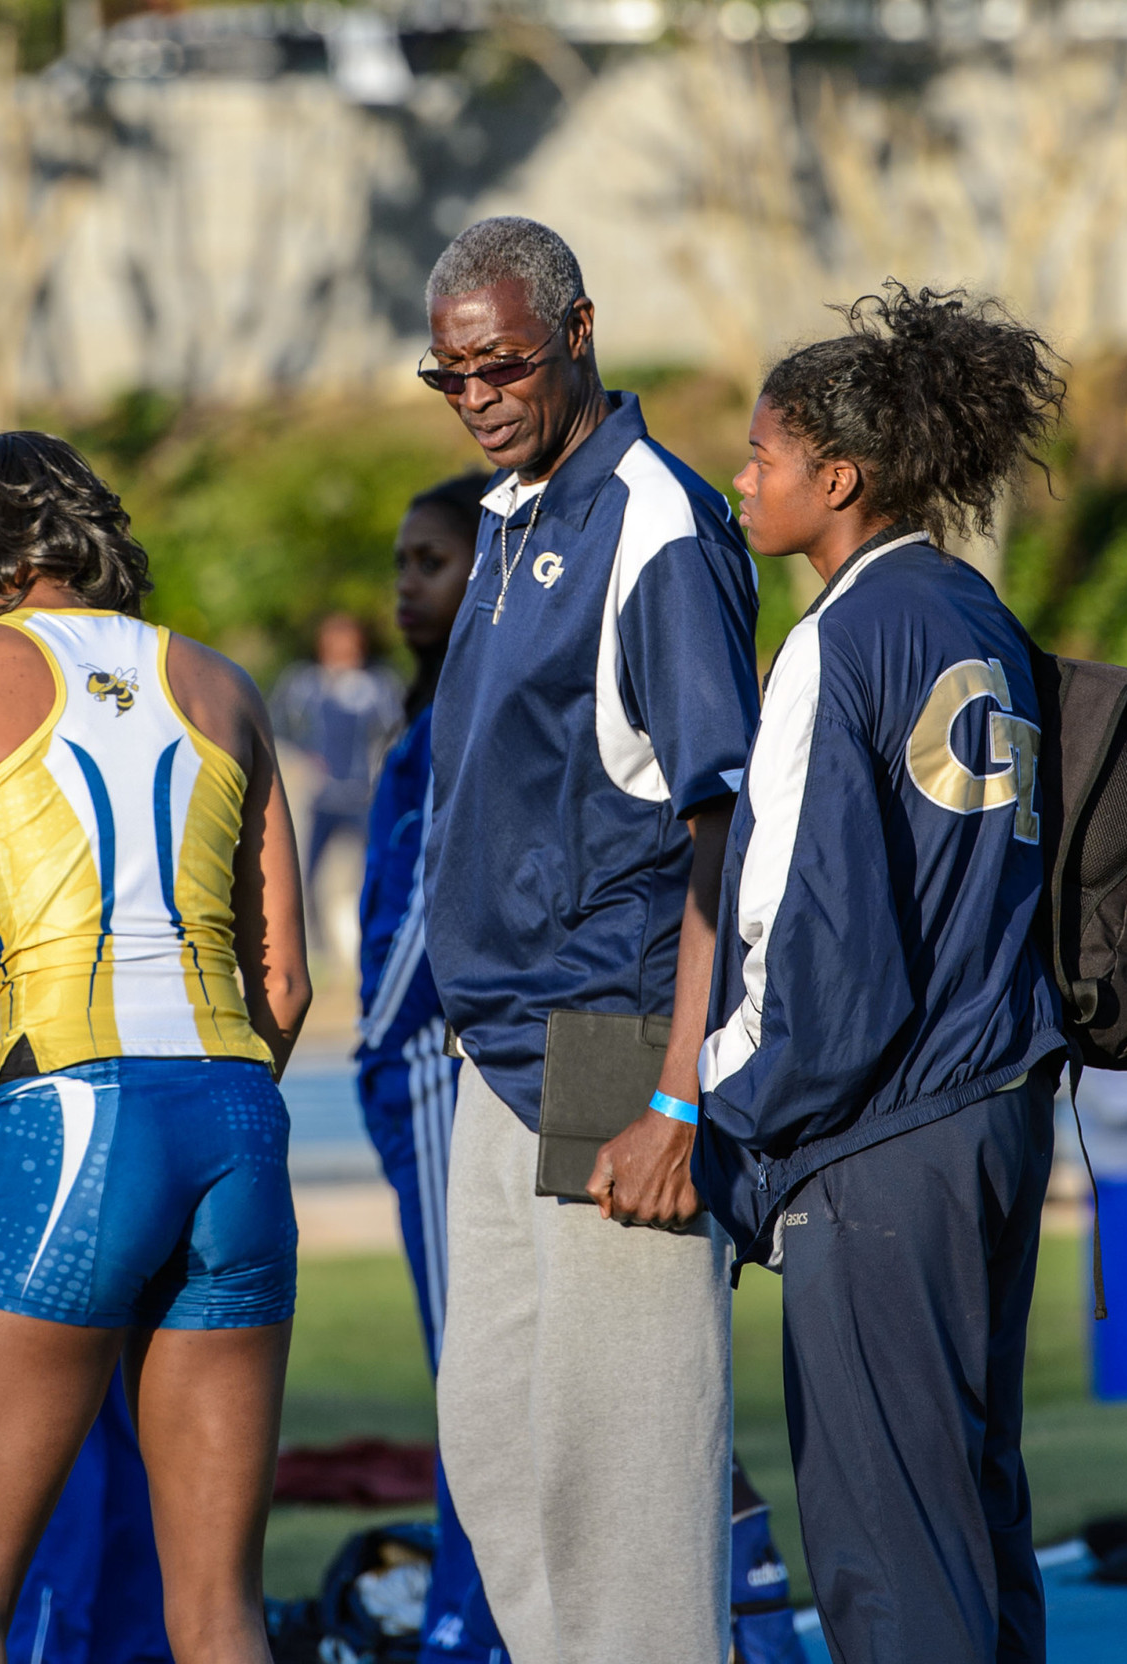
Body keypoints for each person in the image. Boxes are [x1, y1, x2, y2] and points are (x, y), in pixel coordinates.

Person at [0, 431, 312, 1662]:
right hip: (236, 1122)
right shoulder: (225, 683)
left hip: (71, 1121)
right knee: (220, 1611)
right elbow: (287, 980)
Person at [695, 284, 1071, 1663]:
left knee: (884, 1547)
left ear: (834, 479)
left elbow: (821, 962)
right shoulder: (974, 610)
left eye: (761, 456)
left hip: (888, 1136)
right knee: (972, 1514)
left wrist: (702, 1107)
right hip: (1000, 1111)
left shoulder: (835, 640)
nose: (742, 480)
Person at [417, 216, 758, 1660]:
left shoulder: (660, 523)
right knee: (500, 1462)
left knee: (626, 1498)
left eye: (500, 363)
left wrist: (678, 1092)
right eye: (449, 377)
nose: (481, 396)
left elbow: (724, 827)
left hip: (612, 1039)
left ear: (579, 330)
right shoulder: (508, 518)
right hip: (496, 1051)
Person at [0, 895, 172, 1664]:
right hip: (202, 1122)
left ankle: (52, 1643)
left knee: (38, 1462)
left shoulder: (21, 800)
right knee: (153, 1443)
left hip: (53, 1136)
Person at [353, 473, 503, 1664]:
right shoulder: (435, 704)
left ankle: (470, 1621)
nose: (406, 585)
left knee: (479, 1373)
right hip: (432, 1061)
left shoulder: (472, 707)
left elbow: (433, 903)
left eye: (431, 562)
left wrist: (373, 1032)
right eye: (402, 562)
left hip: (438, 1062)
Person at [271, 613, 400, 901]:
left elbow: (397, 731)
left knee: (376, 869)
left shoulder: (377, 687)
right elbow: (277, 724)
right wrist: (302, 760)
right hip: (322, 794)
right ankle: (310, 936)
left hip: (362, 796)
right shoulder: (305, 684)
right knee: (305, 875)